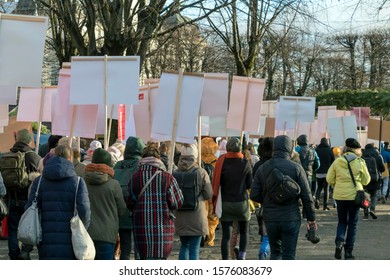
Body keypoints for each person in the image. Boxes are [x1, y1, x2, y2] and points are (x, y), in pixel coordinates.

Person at [251, 135, 316, 260]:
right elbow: (307, 196)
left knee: (275, 253)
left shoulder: (263, 168)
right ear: (289, 148)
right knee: (289, 255)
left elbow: (254, 194)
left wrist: (269, 198)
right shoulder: (296, 167)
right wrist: (311, 219)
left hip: (270, 217)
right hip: (291, 216)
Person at [25, 144, 91, 260]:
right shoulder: (78, 182)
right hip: (72, 240)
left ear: (53, 156)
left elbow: (30, 208)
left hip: (45, 239)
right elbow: (84, 212)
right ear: (70, 158)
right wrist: (80, 230)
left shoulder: (39, 181)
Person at [127, 143, 184, 260]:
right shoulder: (167, 178)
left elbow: (130, 203)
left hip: (141, 229)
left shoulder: (134, 178)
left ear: (142, 159)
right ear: (158, 159)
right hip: (163, 232)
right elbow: (178, 202)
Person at [326, 138, 370, 260]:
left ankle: (339, 242)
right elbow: (367, 180)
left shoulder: (337, 161)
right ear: (357, 150)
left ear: (345, 148)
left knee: (342, 221)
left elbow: (329, 179)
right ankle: (349, 252)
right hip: (355, 196)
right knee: (352, 223)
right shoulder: (360, 161)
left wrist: (338, 183)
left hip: (340, 196)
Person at [212, 137, 252, 260]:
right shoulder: (245, 163)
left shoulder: (221, 162)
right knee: (244, 231)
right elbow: (249, 184)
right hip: (241, 202)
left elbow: (217, 182)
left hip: (226, 202)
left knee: (226, 236)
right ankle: (242, 256)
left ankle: (225, 260)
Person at [84, 148, 127, 260]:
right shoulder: (114, 185)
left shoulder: (82, 182)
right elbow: (122, 209)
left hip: (85, 233)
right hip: (107, 235)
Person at [5, 129, 41, 260]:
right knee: (29, 227)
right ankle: (25, 251)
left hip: (11, 199)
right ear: (29, 140)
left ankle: (14, 256)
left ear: (16, 139)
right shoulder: (34, 157)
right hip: (28, 200)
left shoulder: (7, 156)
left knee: (13, 230)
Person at [174, 143, 212, 260]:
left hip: (180, 214)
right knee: (194, 250)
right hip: (197, 215)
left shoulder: (174, 173)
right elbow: (208, 194)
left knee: (184, 245)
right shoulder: (201, 172)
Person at [113, 136, 145, 260]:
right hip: (137, 213)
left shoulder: (118, 165)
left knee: (125, 249)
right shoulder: (141, 166)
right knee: (139, 249)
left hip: (120, 214)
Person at [252, 137, 274, 260]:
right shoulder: (278, 163)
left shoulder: (258, 165)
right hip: (280, 202)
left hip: (265, 202)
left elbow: (254, 189)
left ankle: (264, 250)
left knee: (266, 232)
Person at [200, 137, 219, 247]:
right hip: (213, 192)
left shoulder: (197, 161)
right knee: (212, 217)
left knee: (203, 214)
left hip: (201, 193)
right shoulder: (216, 162)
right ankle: (209, 237)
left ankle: (203, 235)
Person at [361, 143, 385, 220]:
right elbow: (383, 169)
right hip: (375, 179)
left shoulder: (362, 157)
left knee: (366, 197)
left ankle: (366, 213)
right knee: (374, 196)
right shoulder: (378, 156)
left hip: (365, 180)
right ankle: (372, 209)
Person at [315, 137, 335, 211]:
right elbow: (333, 161)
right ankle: (325, 206)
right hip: (327, 173)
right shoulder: (329, 150)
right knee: (326, 188)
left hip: (318, 172)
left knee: (319, 187)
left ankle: (317, 199)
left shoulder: (316, 150)